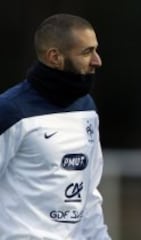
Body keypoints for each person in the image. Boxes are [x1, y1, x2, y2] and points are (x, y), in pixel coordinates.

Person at [0, 13, 111, 239]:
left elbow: (89, 196)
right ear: (55, 57)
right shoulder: (10, 111)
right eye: (86, 52)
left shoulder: (87, 108)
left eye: (95, 50)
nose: (97, 61)